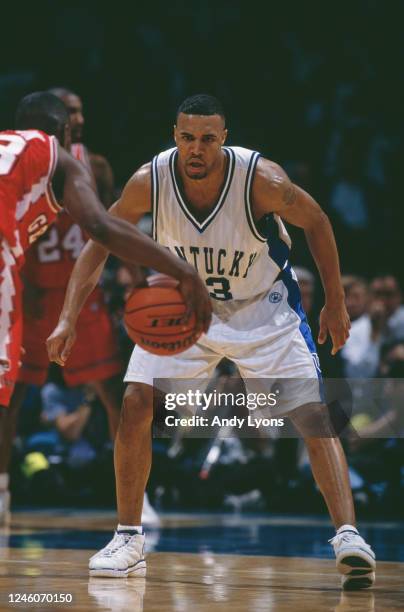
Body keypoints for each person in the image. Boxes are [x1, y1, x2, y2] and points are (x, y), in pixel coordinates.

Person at [47, 94, 375, 589]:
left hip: (264, 308)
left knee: (312, 411)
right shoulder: (149, 181)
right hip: (187, 311)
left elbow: (318, 222)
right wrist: (67, 315)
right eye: (186, 138)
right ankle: (129, 539)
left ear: (224, 138)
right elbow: (100, 242)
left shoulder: (261, 181)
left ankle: (349, 536)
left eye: (206, 139)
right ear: (174, 135)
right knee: (136, 401)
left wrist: (335, 301)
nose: (195, 149)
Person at [0, 92, 212, 520]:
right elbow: (102, 226)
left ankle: (138, 494)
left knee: (114, 389)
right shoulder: (56, 155)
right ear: (60, 128)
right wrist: (183, 272)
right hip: (28, 282)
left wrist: (131, 277)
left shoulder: (30, 151)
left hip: (74, 288)